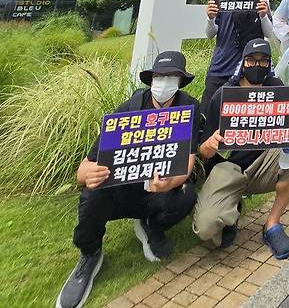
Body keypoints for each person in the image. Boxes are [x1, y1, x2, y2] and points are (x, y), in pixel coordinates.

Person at [56, 52, 200, 308]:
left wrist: (168, 184)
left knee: (187, 194)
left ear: (180, 81)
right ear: (151, 79)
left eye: (171, 77)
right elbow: (84, 167)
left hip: (158, 190)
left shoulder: (189, 108)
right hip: (122, 191)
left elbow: (187, 163)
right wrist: (88, 175)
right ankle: (90, 253)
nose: (164, 82)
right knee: (93, 192)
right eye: (159, 76)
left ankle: (150, 225)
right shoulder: (129, 110)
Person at [194, 39, 289, 260]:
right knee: (206, 229)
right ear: (243, 63)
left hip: (263, 162)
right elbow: (203, 154)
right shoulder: (223, 94)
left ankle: (272, 223)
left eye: (264, 61)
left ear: (270, 64)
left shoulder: (277, 89)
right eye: (252, 60)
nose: (257, 66)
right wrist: (207, 146)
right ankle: (231, 212)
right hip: (227, 168)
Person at [202, 0, 273, 116]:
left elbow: (268, 33)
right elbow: (210, 34)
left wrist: (263, 15)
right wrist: (210, 19)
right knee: (207, 112)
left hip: (252, 68)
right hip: (221, 66)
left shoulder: (260, 0)